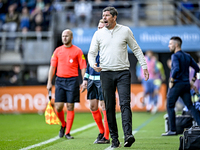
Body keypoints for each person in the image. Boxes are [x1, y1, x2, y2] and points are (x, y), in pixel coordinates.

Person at [88, 7, 149, 148]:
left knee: (125, 104)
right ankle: (114, 139)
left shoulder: (125, 30)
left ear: (115, 17)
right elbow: (91, 53)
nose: (104, 18)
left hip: (123, 73)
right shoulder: (98, 34)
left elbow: (136, 49)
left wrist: (144, 66)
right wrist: (93, 64)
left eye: (107, 15)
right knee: (109, 107)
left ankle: (128, 135)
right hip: (106, 73)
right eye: (103, 15)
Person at [46, 29, 87, 139]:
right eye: (63, 36)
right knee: (58, 107)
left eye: (67, 36)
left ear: (71, 37)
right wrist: (49, 82)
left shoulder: (78, 51)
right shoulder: (57, 51)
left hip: (73, 81)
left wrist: (84, 81)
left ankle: (68, 132)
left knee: (70, 106)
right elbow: (52, 67)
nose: (64, 38)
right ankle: (63, 124)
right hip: (60, 80)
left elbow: (83, 67)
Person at [162, 36, 200, 136]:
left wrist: (171, 80)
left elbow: (176, 69)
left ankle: (172, 130)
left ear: (176, 45)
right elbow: (197, 68)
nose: (168, 46)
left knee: (170, 105)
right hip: (186, 85)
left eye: (170, 44)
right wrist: (192, 81)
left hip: (177, 84)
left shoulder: (175, 56)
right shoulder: (187, 56)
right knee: (190, 106)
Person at [81, 19, 110, 144]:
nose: (99, 30)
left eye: (101, 27)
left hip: (103, 80)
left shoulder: (109, 45)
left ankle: (107, 137)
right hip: (92, 80)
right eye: (98, 27)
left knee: (104, 106)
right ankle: (102, 131)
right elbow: (89, 64)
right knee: (93, 106)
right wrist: (85, 79)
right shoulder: (94, 43)